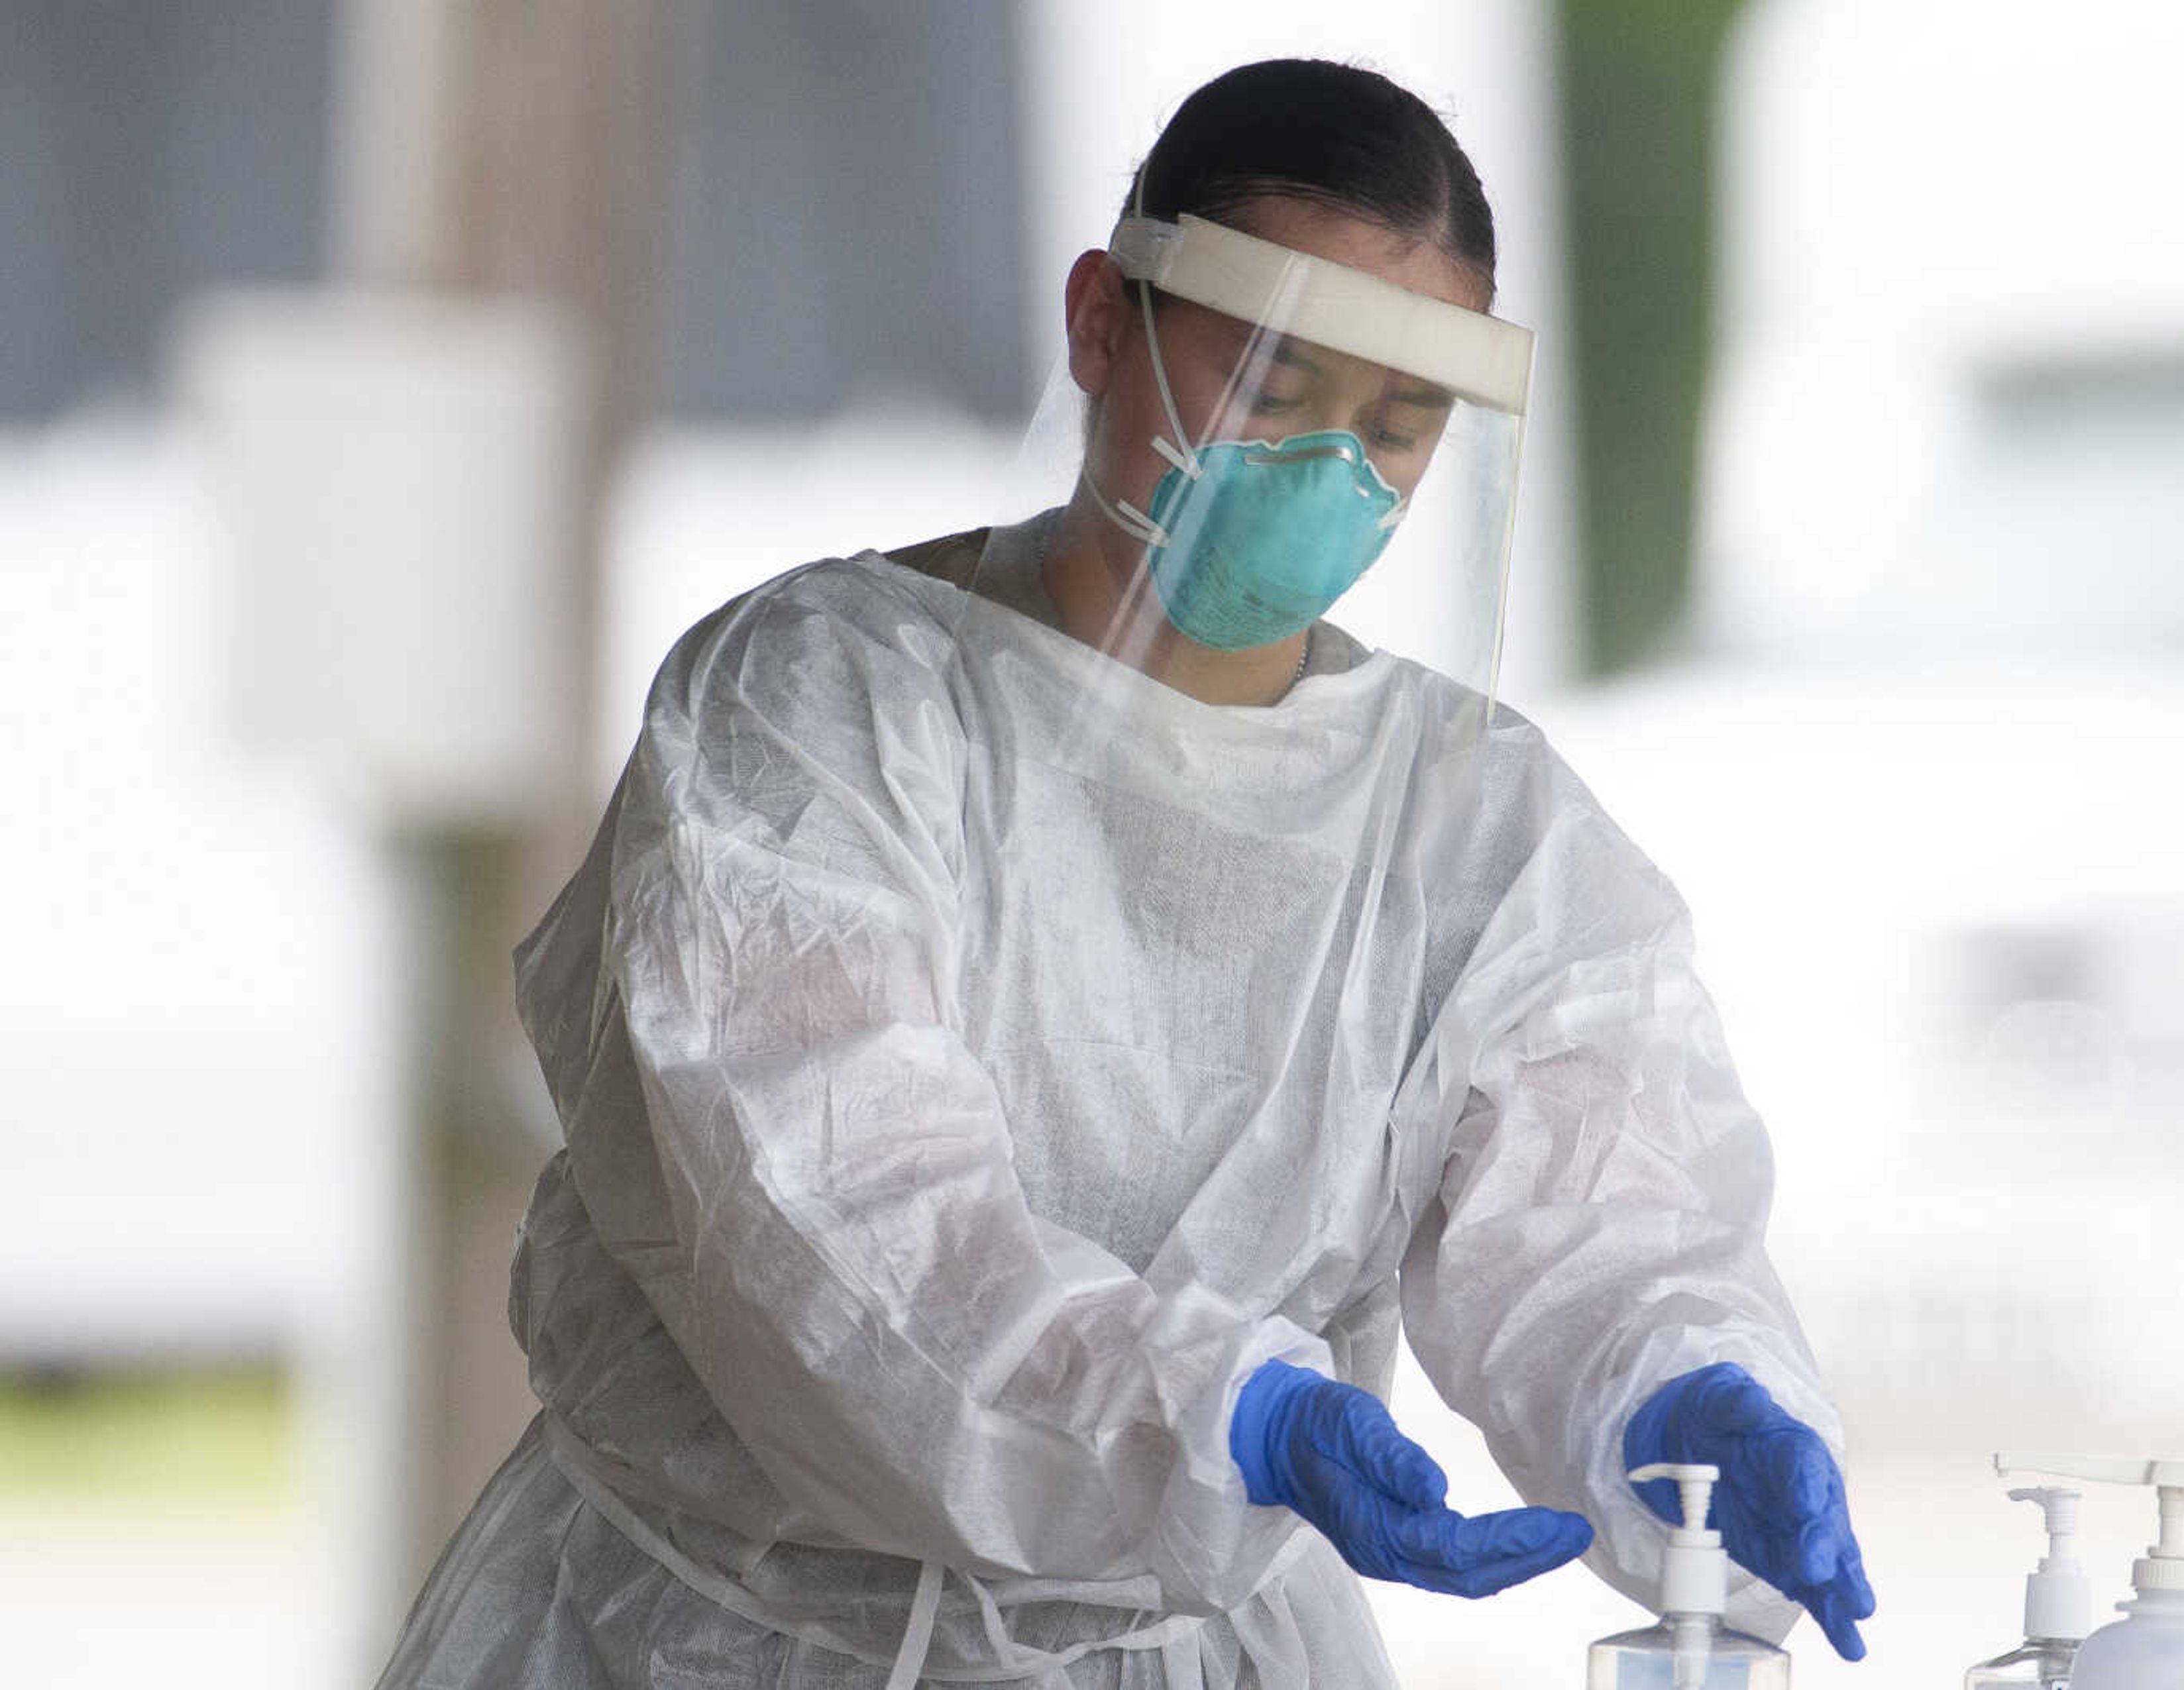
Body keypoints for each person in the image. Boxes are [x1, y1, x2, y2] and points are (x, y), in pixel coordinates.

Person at [376, 57, 1875, 1690]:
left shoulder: (1468, 825)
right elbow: (834, 1220)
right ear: (1102, 322)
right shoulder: (818, 709)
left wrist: (1683, 1388)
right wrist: (1220, 1410)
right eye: (1277, 391)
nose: (1332, 475)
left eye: (1399, 422)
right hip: (713, 1642)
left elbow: (1604, 1220)